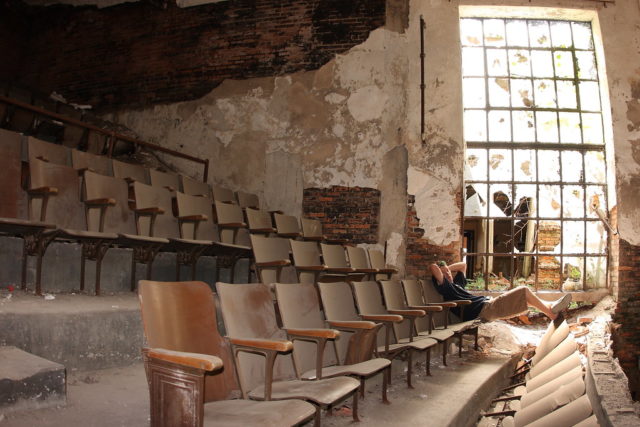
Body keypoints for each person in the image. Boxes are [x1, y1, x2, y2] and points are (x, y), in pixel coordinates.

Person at [429, 261, 572, 322]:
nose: (448, 273)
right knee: (523, 290)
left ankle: (550, 306)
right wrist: (443, 271)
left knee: (525, 296)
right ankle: (550, 312)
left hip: (487, 305)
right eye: (445, 273)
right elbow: (433, 267)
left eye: (449, 272)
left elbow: (463, 265)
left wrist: (448, 268)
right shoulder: (446, 288)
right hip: (484, 310)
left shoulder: (457, 284)